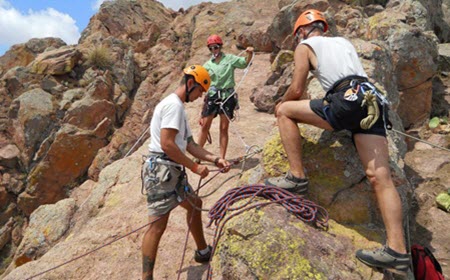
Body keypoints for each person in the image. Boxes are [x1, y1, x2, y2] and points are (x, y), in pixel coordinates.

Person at [264, 9, 410, 275]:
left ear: (300, 32)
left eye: (297, 35)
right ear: (323, 27)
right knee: (380, 177)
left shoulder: (306, 46)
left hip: (346, 100)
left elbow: (297, 90)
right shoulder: (343, 43)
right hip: (371, 100)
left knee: (285, 111)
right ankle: (397, 251)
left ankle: (296, 177)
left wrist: (282, 101)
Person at [141, 65, 231, 280]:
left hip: (170, 171)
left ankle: (202, 251)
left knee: (194, 203)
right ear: (190, 83)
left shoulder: (177, 107)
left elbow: (189, 144)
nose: (201, 96)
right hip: (162, 172)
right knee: (157, 227)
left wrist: (215, 159)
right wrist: (194, 167)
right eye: (200, 90)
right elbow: (167, 144)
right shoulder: (174, 106)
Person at [196, 34, 254, 160]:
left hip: (227, 97)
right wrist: (201, 113)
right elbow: (204, 86)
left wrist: (249, 54)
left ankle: (222, 158)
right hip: (212, 96)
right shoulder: (207, 65)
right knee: (205, 125)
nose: (213, 50)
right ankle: (198, 155)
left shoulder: (230, 59)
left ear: (220, 47)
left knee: (224, 127)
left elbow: (244, 63)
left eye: (215, 47)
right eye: (211, 48)